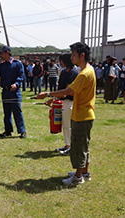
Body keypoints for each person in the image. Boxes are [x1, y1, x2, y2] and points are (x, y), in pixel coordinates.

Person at [37, 42, 96, 186]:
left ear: (82, 55)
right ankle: (84, 172)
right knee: (84, 146)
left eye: (74, 55)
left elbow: (68, 91)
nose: (71, 57)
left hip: (82, 115)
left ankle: (77, 177)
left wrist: (48, 93)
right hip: (85, 114)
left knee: (78, 147)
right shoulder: (89, 70)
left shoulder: (84, 74)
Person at [0, 46, 26, 138]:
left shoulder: (17, 64)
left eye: (2, 53)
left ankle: (22, 131)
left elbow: (21, 76)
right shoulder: (2, 64)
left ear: (7, 52)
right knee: (6, 112)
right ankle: (8, 131)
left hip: (15, 92)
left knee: (17, 111)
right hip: (5, 91)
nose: (1, 55)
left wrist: (16, 84)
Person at [49, 54, 78, 156]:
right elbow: (59, 89)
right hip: (63, 102)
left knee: (68, 126)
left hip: (69, 102)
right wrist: (53, 98)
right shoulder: (64, 72)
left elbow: (67, 90)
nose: (60, 63)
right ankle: (67, 145)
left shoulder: (73, 73)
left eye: (61, 61)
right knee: (65, 125)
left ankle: (71, 147)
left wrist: (58, 95)